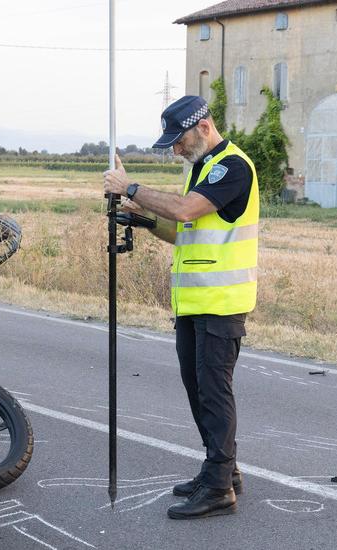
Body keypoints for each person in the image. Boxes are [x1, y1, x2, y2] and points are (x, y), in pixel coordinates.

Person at [103, 95, 259, 520]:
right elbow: (184, 231)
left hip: (220, 302)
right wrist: (145, 218)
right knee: (198, 391)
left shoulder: (232, 167)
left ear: (204, 127)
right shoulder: (202, 168)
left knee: (213, 392)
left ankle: (218, 488)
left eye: (179, 140)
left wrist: (130, 187)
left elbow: (187, 209)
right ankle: (223, 469)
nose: (175, 149)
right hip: (193, 301)